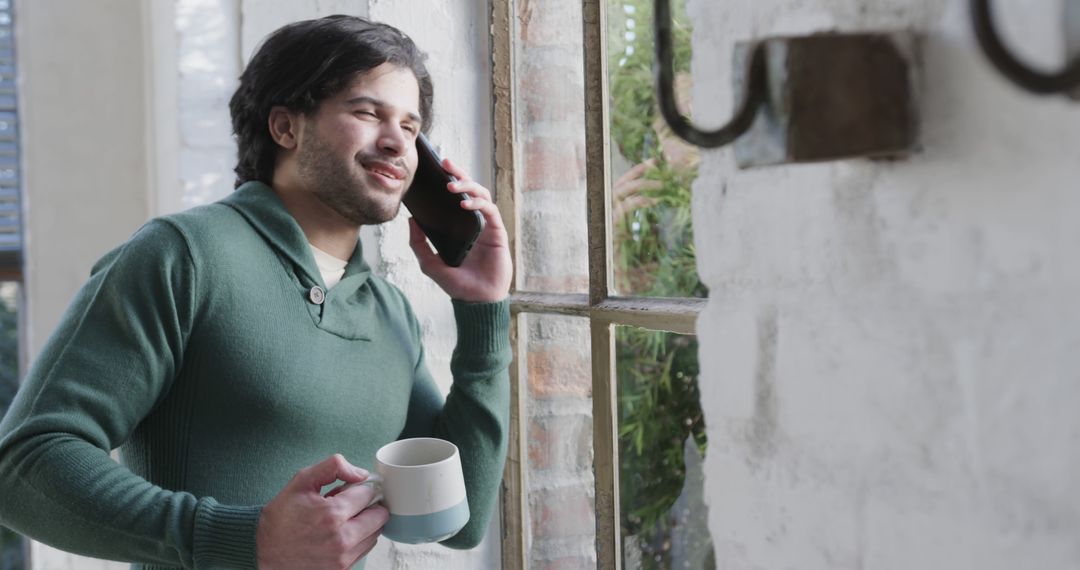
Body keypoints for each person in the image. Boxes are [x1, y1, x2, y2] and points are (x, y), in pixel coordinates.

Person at [0, 14, 512, 570]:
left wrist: (483, 310)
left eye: (411, 128)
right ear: (286, 128)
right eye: (368, 112)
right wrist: (249, 537)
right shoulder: (184, 254)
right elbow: (25, 467)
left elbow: (459, 518)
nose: (396, 142)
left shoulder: (387, 311)